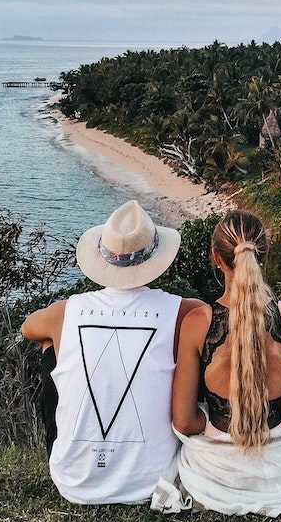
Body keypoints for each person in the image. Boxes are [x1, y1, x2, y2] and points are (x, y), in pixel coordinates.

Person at [153, 209, 281, 516]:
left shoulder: (198, 322)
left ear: (217, 257)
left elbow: (185, 422)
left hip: (217, 475)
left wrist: (212, 422)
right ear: (264, 256)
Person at [22, 199, 202, 505]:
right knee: (190, 347)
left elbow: (28, 328)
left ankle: (78, 447)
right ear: (157, 259)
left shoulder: (67, 311)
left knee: (52, 344)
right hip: (152, 480)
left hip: (74, 480)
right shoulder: (186, 311)